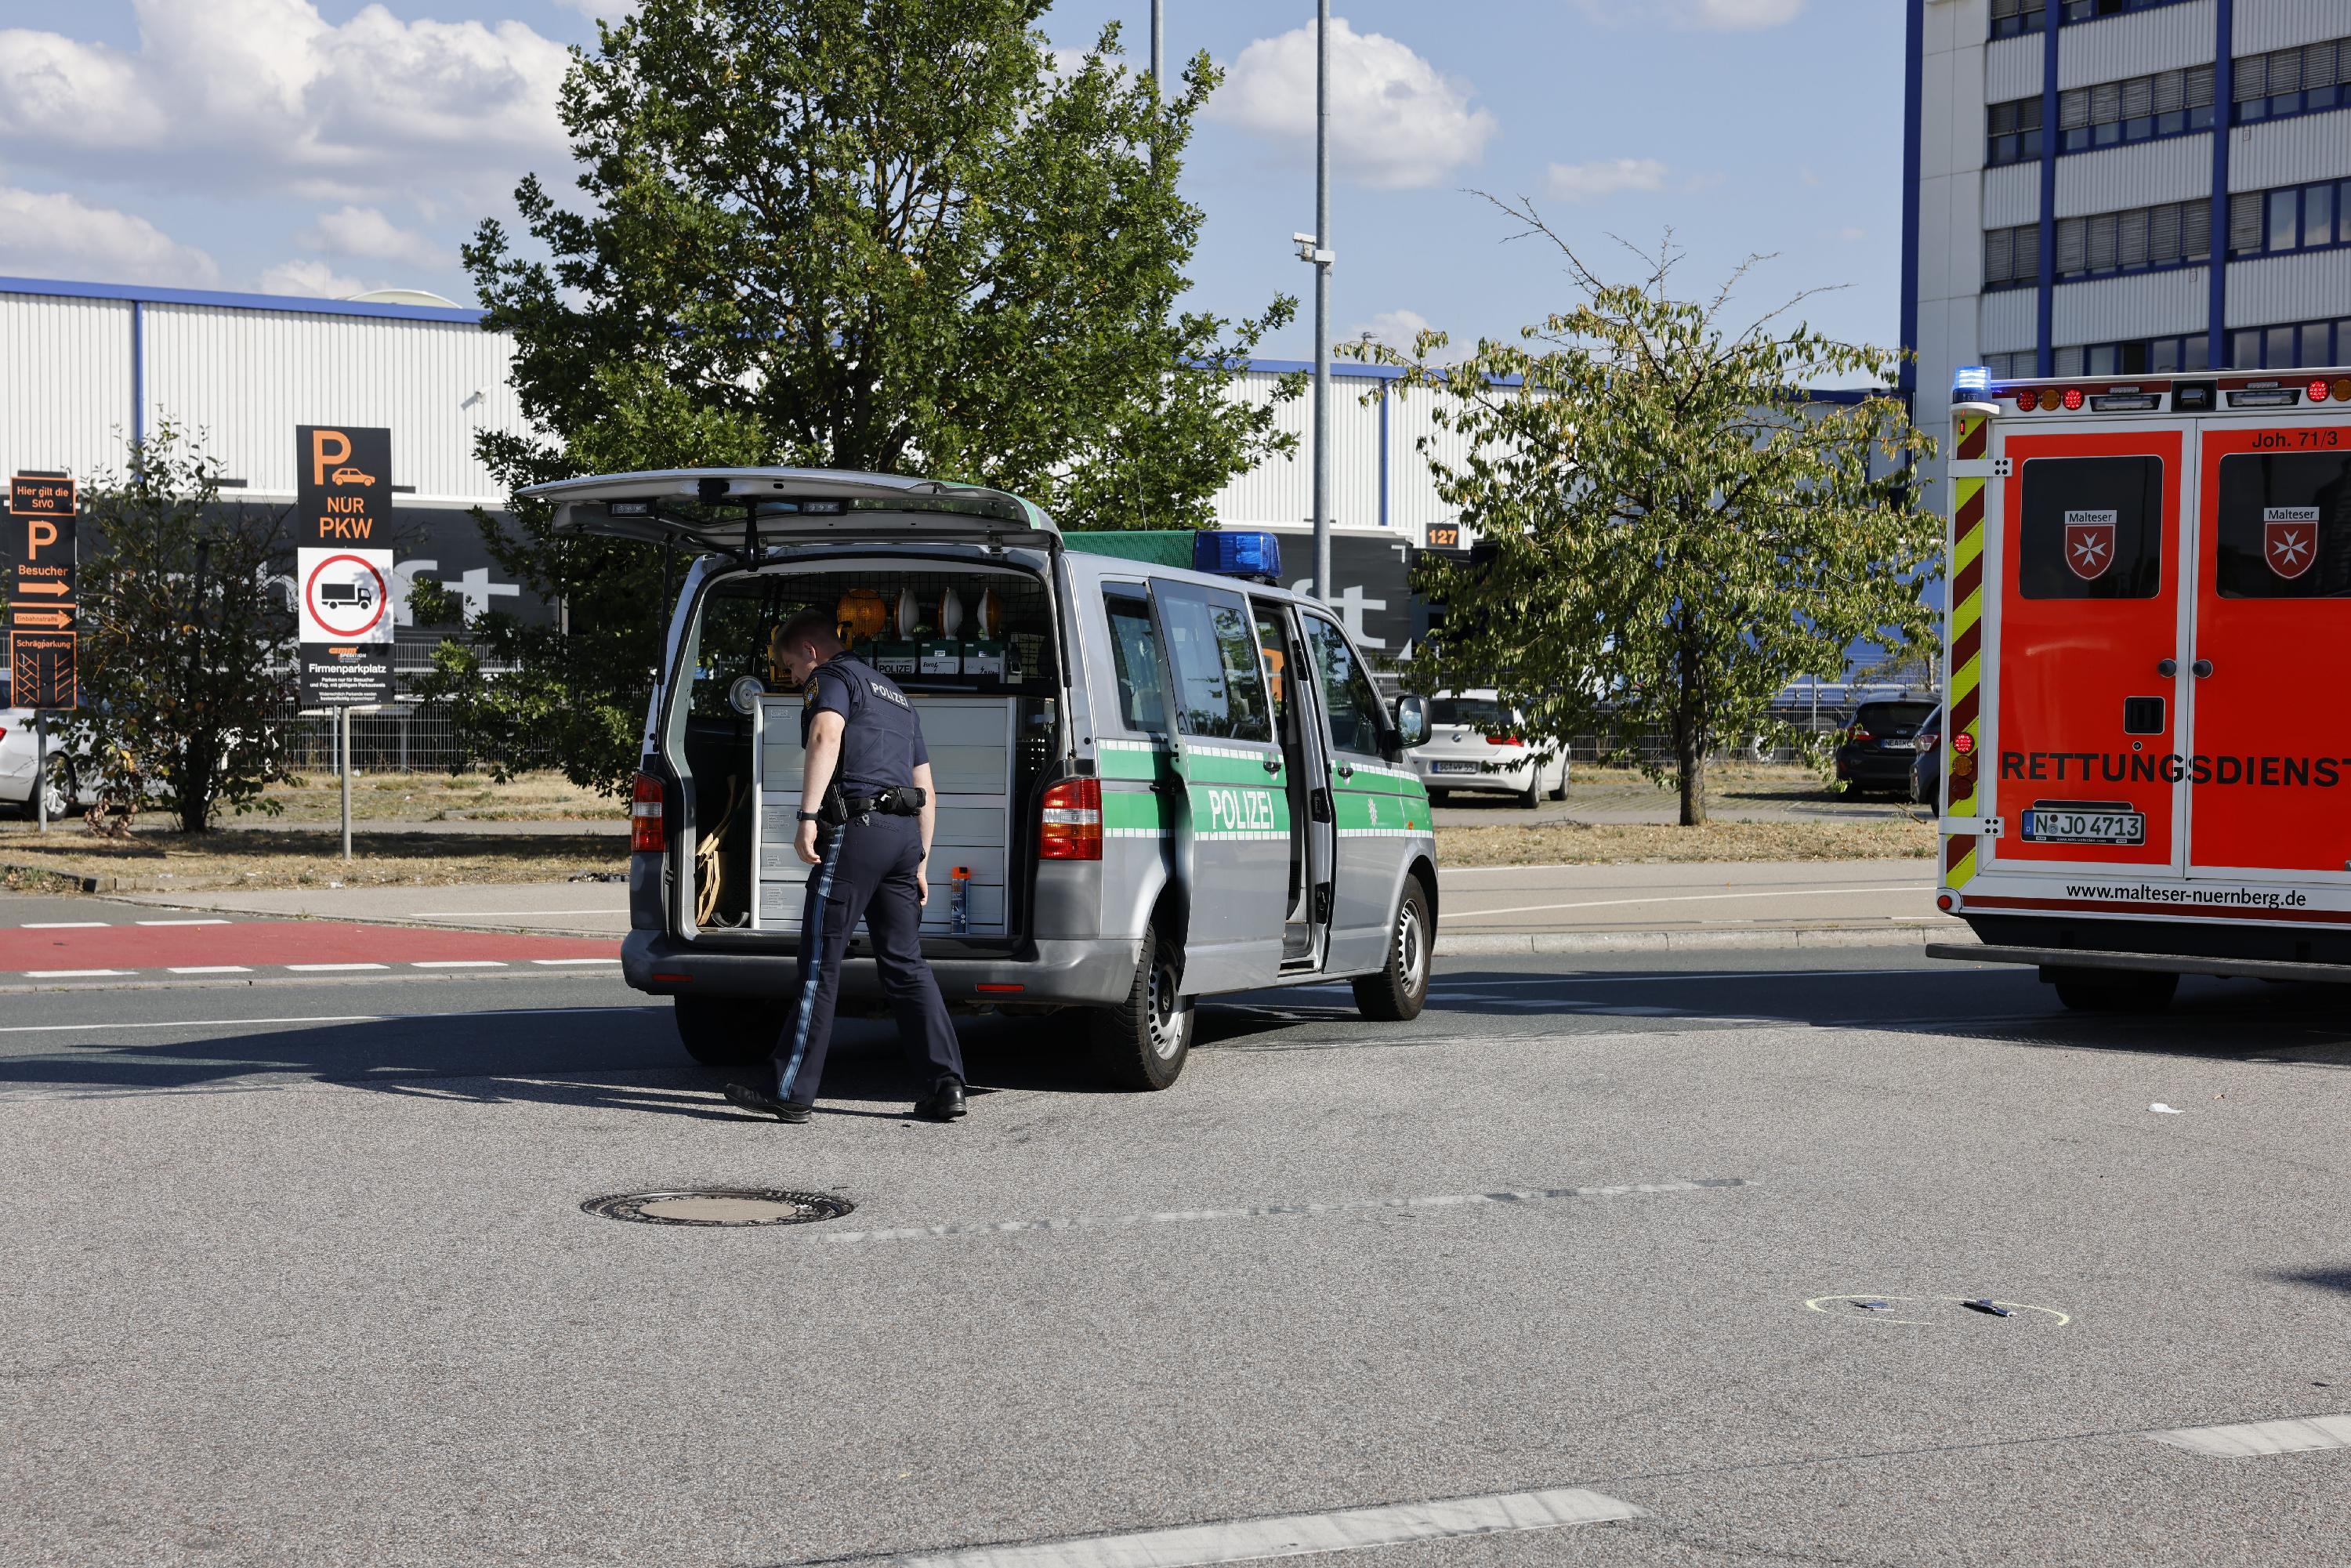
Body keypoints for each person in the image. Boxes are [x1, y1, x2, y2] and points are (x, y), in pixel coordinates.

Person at [724, 610, 968, 1124]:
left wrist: (808, 816)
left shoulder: (831, 680)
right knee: (905, 964)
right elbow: (927, 788)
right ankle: (945, 1086)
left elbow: (825, 739)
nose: (794, 679)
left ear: (810, 650)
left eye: (792, 667)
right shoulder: (895, 696)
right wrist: (921, 858)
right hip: (902, 838)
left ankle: (790, 1089)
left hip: (856, 830)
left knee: (820, 958)